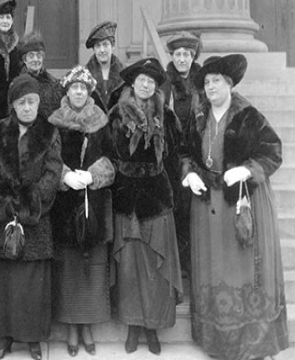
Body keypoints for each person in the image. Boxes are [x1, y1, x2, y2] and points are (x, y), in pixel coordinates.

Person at [182, 54, 288, 360]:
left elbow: (273, 151)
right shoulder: (199, 116)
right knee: (215, 266)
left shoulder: (248, 115)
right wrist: (188, 174)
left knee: (241, 267)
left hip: (241, 201)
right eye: (206, 82)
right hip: (208, 205)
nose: (210, 87)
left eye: (216, 81)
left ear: (229, 84)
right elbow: (186, 152)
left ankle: (252, 342)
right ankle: (218, 341)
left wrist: (247, 169)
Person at [109, 58, 183, 355]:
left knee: (154, 269)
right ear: (132, 83)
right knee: (129, 269)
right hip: (127, 200)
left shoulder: (166, 117)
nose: (145, 85)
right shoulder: (116, 115)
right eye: (141, 79)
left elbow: (176, 158)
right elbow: (108, 153)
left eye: (151, 81)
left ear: (155, 87)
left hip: (156, 199)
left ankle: (152, 328)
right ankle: (133, 326)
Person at [0, 74, 63, 360]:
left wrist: (31, 201)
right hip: (4, 217)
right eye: (22, 102)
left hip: (35, 217)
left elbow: (54, 172)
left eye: (32, 102)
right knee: (5, 281)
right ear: (13, 106)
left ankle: (32, 339)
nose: (27, 107)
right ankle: (5, 337)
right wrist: (5, 202)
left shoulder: (49, 132)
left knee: (32, 284)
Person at [48, 65, 115, 357]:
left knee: (91, 267)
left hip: (93, 204)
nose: (78, 92)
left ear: (89, 93)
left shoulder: (101, 122)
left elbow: (113, 159)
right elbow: (48, 158)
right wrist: (63, 175)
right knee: (68, 267)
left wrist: (95, 174)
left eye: (83, 88)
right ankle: (72, 327)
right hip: (63, 205)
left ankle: (87, 324)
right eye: (73, 87)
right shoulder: (55, 123)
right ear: (67, 91)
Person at [160, 31, 202, 277]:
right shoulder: (165, 84)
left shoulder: (202, 83)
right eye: (178, 54)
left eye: (187, 54)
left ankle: (192, 266)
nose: (182, 59)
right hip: (171, 158)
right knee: (174, 212)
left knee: (193, 212)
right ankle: (176, 270)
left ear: (193, 56)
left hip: (196, 158)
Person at [18, 31, 64, 119]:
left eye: (39, 56)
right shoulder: (18, 86)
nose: (35, 60)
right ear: (24, 60)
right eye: (31, 56)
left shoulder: (53, 83)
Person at [85, 21, 125, 113]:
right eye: (98, 46)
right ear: (94, 49)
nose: (102, 50)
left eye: (105, 45)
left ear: (113, 46)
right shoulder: (84, 75)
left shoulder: (124, 75)